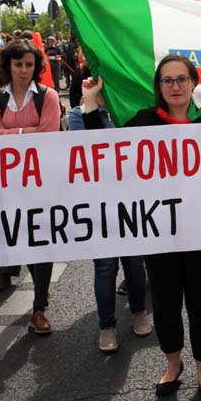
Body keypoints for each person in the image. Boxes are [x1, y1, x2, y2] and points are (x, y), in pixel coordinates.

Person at [81, 54, 201, 401]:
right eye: (168, 80)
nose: (175, 86)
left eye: (181, 79)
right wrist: (90, 107)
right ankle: (172, 365)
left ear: (193, 83)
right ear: (159, 87)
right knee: (164, 303)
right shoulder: (143, 122)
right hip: (159, 232)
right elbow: (106, 156)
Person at [0, 39, 62, 334]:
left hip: (41, 180)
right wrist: (26, 131)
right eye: (18, 64)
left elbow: (48, 133)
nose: (24, 70)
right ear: (8, 66)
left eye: (29, 64)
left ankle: (39, 306)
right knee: (19, 237)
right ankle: (40, 289)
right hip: (6, 181)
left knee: (42, 239)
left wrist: (8, 132)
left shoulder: (48, 96)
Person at [67, 98, 153, 352]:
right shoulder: (78, 115)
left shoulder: (130, 109)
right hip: (98, 203)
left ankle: (139, 311)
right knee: (105, 268)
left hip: (131, 200)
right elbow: (90, 150)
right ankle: (106, 325)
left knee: (135, 262)